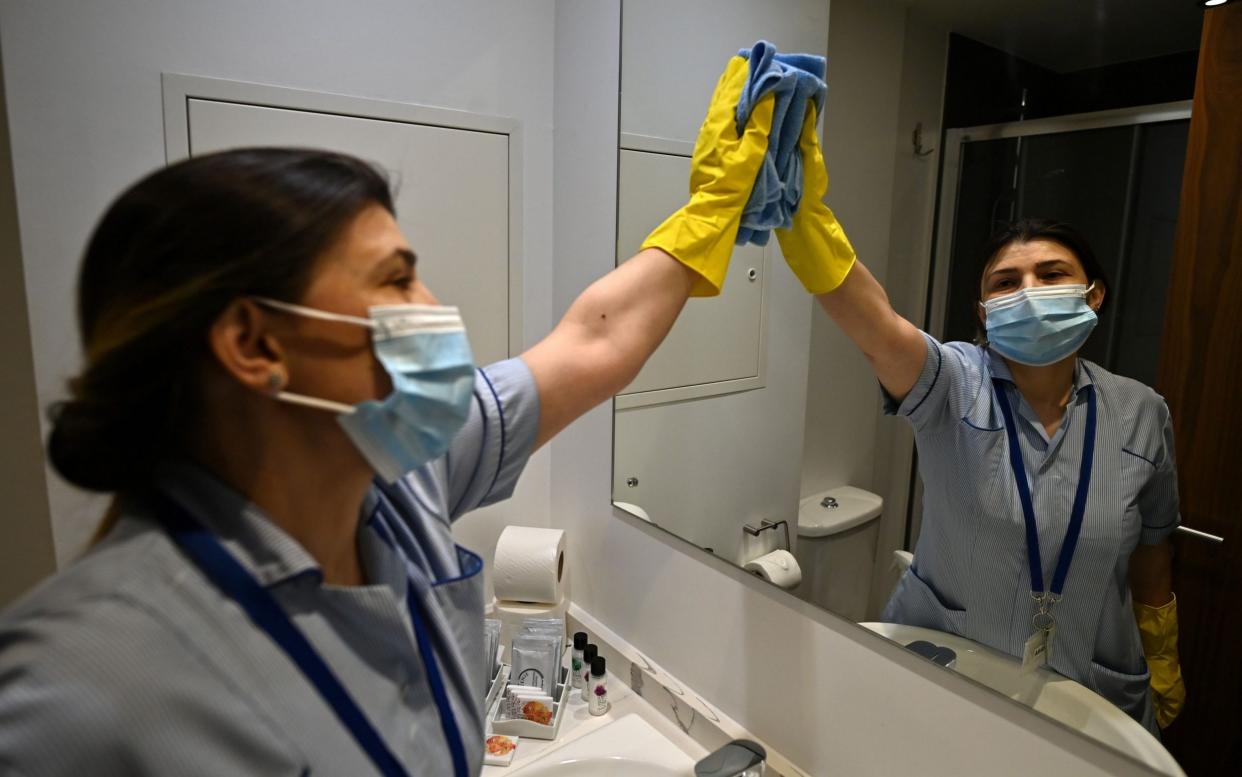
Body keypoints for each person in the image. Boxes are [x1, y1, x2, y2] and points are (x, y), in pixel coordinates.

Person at [0, 58, 772, 776]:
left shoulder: (401, 480)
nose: (433, 308)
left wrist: (712, 208)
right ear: (252, 340)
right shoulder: (82, 684)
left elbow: (594, 341)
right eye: (397, 280)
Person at [769, 104, 1186, 734]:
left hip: (1092, 684)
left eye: (1051, 275)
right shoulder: (954, 382)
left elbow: (1153, 546)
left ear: (1093, 293)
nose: (1027, 292)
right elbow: (876, 326)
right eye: (1004, 283)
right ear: (984, 310)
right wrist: (804, 218)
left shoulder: (1141, 412)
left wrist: (1162, 652)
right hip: (948, 670)